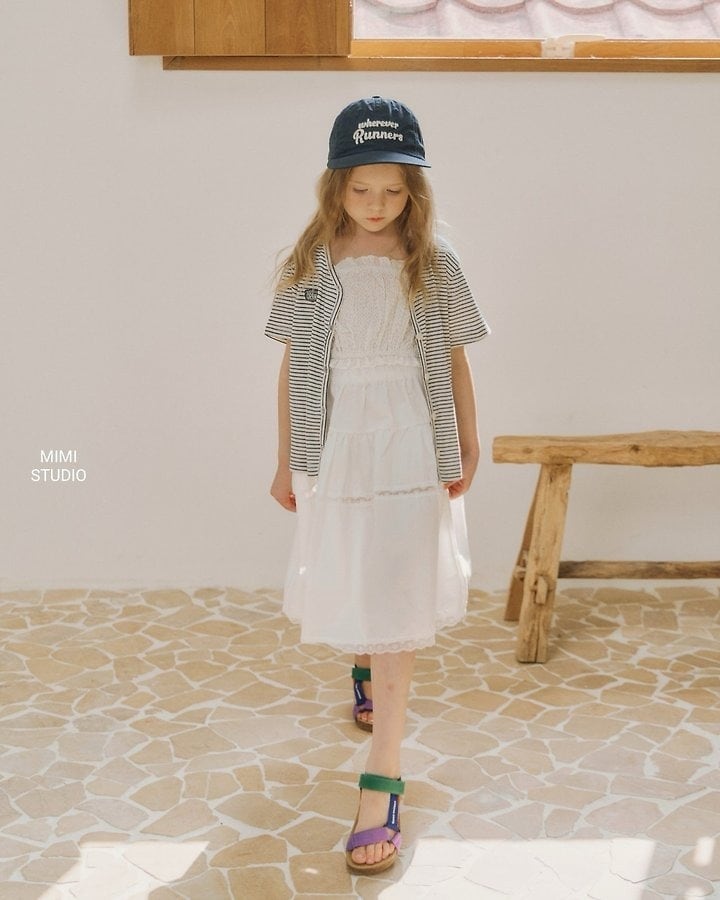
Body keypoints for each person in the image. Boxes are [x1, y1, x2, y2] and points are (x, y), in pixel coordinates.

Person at [266, 96, 489, 875]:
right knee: (359, 564)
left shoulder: (436, 261)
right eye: (361, 188)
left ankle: (382, 774)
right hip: (337, 444)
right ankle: (362, 660)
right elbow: (294, 365)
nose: (377, 203)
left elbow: (455, 357)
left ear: (414, 190)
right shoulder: (309, 262)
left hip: (412, 439)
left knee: (398, 581)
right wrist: (286, 458)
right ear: (335, 185)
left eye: (393, 190)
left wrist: (467, 439)